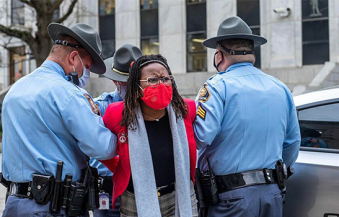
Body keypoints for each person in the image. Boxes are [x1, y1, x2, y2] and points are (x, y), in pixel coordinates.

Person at [1, 23, 117, 216]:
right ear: (73, 58)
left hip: (15, 204)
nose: (85, 74)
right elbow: (102, 147)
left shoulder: (16, 89)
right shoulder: (68, 93)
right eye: (86, 66)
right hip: (52, 207)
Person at [193, 16, 301, 217]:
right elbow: (292, 143)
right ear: (252, 52)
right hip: (272, 193)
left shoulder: (217, 86)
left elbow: (201, 137)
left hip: (230, 198)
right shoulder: (280, 87)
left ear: (219, 55)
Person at [101, 54, 198, 217]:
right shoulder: (116, 114)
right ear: (136, 87)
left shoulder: (186, 109)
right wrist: (121, 166)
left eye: (166, 79)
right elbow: (100, 149)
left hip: (179, 197)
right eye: (152, 80)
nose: (161, 84)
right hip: (135, 199)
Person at [91, 44, 142, 217]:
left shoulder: (150, 108)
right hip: (107, 189)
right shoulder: (101, 106)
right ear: (115, 82)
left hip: (140, 189)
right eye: (127, 84)